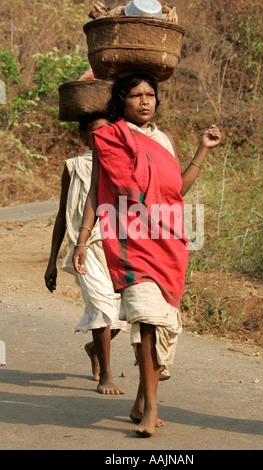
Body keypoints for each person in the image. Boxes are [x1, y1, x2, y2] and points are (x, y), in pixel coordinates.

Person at [73, 73, 221, 437]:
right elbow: (96, 191)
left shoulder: (162, 140)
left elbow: (176, 191)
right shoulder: (108, 137)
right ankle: (152, 407)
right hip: (128, 241)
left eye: (150, 94)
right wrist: (81, 239)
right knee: (146, 316)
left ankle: (142, 398)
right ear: (121, 101)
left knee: (160, 318)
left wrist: (202, 149)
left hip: (166, 241)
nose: (145, 101)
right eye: (136, 95)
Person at [44, 114, 127, 395]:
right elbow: (61, 214)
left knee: (124, 311)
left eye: (108, 132)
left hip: (117, 246)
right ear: (84, 138)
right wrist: (52, 262)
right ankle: (106, 373)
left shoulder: (123, 164)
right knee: (103, 306)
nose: (102, 138)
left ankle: (94, 347)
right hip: (85, 247)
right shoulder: (74, 167)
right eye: (95, 133)